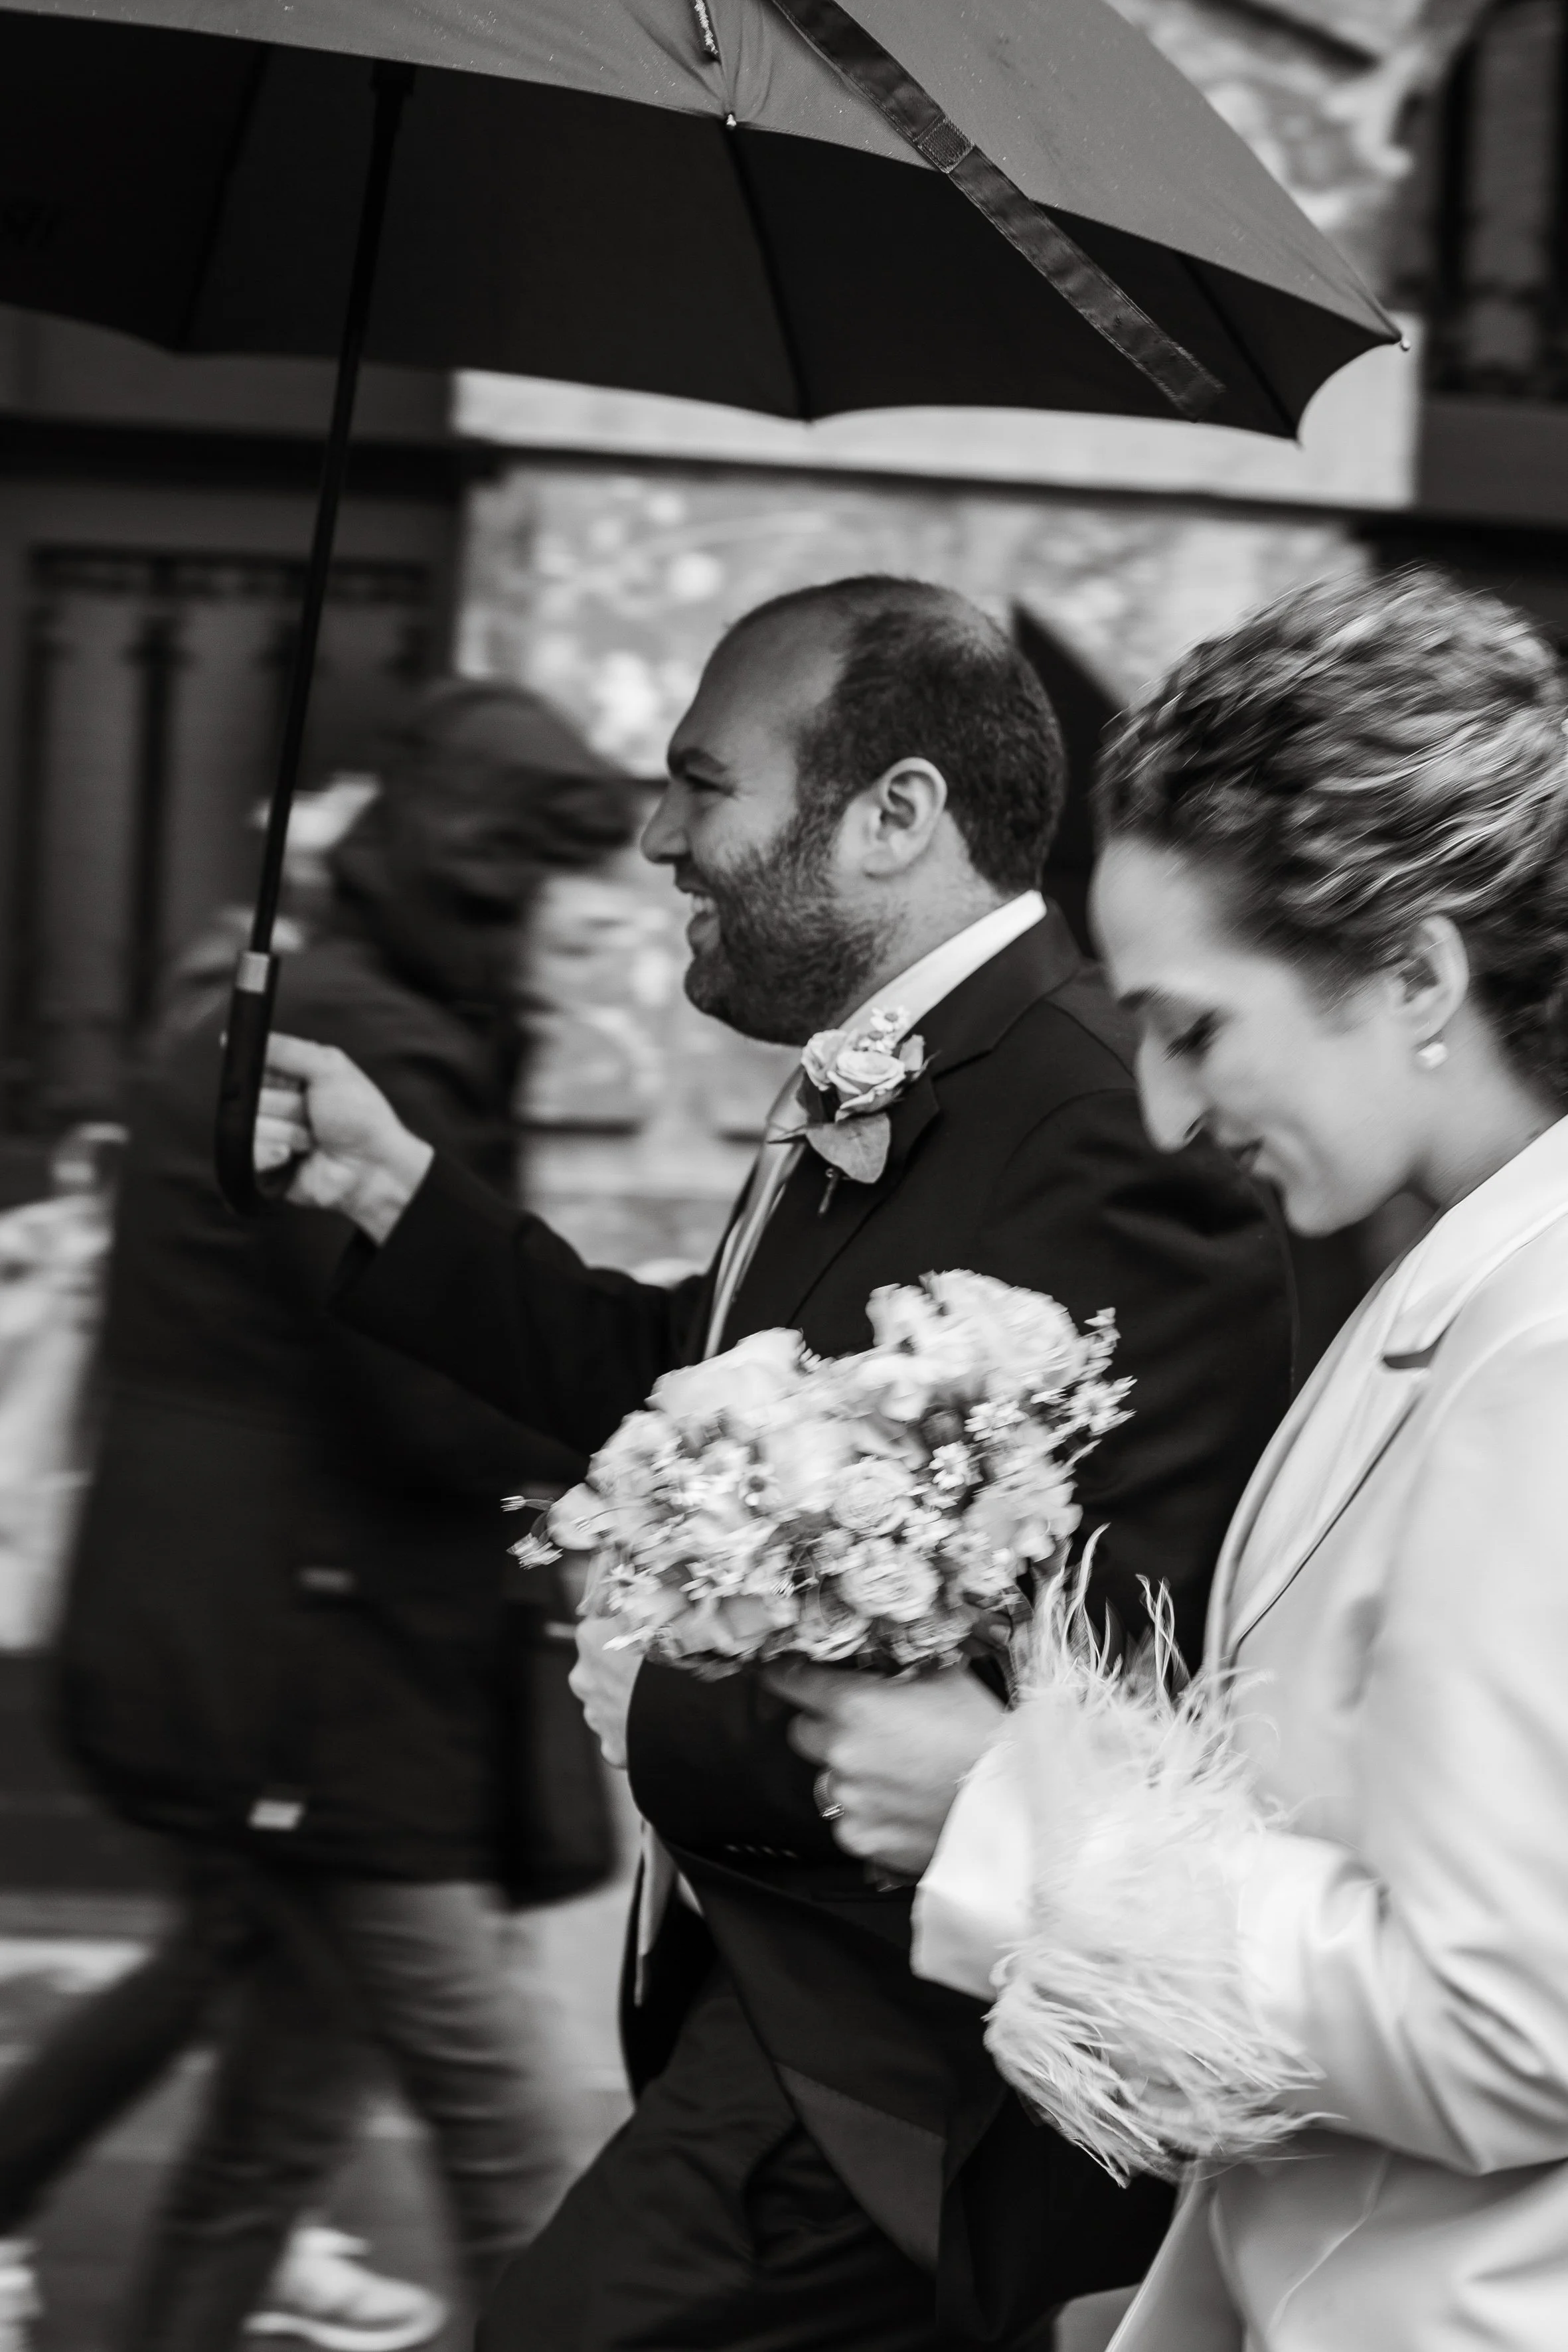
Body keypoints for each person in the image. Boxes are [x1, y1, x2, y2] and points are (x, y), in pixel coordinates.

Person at [258, 576, 1293, 2351]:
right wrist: (389, 1194)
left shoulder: (1103, 1123)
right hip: (778, 2005)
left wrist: (643, 1686)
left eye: (700, 781)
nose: (659, 835)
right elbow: (703, 1375)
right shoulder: (879, 1077)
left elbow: (1098, 1649)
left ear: (896, 813)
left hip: (903, 2063)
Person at [805, 568, 1568, 2351]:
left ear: (1414, 971)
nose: (1158, 1105)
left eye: (1191, 1021)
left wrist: (1009, 1811)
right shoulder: (1454, 1283)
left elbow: (1508, 2020)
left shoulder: (1540, 1358)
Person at [30, 681, 635, 2352]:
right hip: (329, 1672)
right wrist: (639, 1410)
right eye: (564, 901)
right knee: (515, 2157)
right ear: (482, 875)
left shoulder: (355, 1006)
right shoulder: (357, 1039)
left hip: (317, 1661)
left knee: (273, 2127)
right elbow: (427, 1385)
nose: (600, 950)